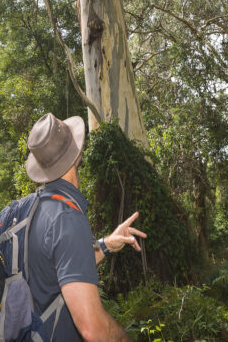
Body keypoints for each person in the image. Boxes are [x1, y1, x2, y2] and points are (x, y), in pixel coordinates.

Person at [11, 112, 145, 341]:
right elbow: (94, 329)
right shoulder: (65, 218)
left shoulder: (21, 211)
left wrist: (106, 244)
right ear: (76, 155)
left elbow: (56, 268)